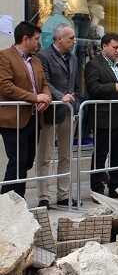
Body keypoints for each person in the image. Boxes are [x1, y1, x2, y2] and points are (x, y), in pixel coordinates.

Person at [0, 21, 52, 198]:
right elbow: (5, 86)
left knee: (27, 161)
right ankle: (7, 203)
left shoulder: (36, 60)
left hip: (34, 119)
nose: (39, 42)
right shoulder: (5, 56)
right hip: (12, 120)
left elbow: (44, 85)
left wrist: (46, 98)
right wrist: (34, 98)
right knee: (17, 160)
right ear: (25, 39)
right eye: (36, 39)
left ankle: (17, 200)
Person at [35, 23, 81, 208]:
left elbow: (76, 85)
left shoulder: (74, 59)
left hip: (68, 113)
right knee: (45, 156)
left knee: (66, 156)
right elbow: (44, 81)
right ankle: (43, 196)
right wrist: (60, 97)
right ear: (59, 38)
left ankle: (63, 194)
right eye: (71, 38)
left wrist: (75, 104)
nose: (74, 42)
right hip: (49, 111)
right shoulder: (43, 56)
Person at [84, 32, 118, 198]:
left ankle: (115, 187)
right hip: (104, 117)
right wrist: (114, 87)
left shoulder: (117, 66)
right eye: (115, 47)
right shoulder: (94, 65)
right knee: (101, 153)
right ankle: (96, 190)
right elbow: (93, 88)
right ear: (104, 47)